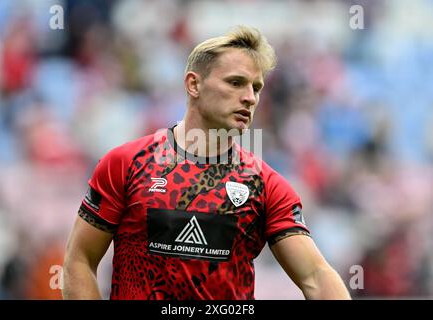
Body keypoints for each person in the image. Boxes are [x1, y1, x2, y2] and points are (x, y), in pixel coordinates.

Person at [62, 26, 351, 300]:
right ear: (194, 84)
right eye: (235, 82)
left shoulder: (266, 185)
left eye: (256, 87)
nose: (250, 98)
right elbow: (80, 260)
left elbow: (316, 275)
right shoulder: (125, 164)